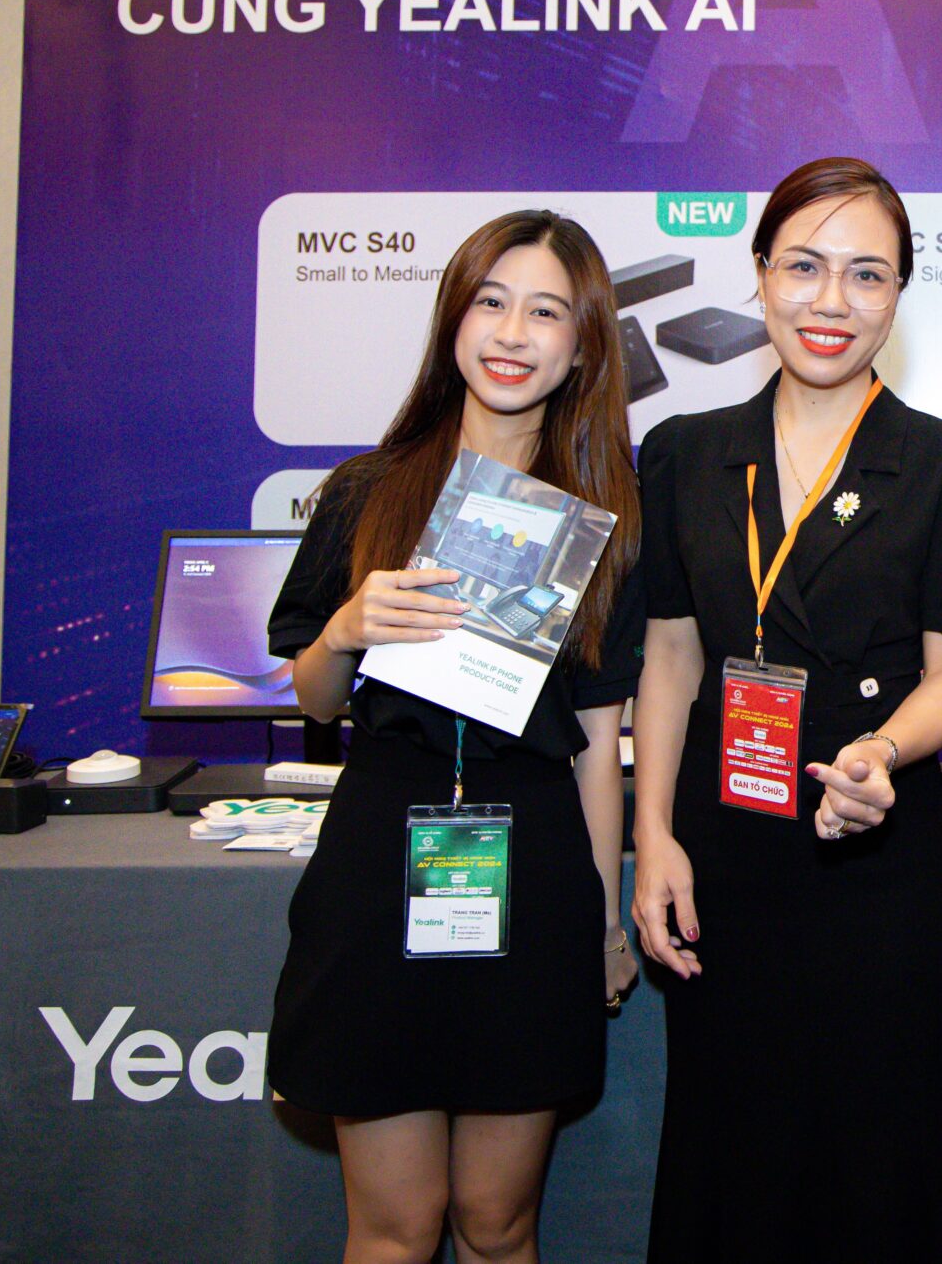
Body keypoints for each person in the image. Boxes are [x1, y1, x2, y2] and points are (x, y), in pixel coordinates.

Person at [628, 157, 942, 1263]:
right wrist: (654, 835)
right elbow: (670, 659)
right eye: (803, 266)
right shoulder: (686, 454)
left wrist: (881, 753)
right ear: (759, 275)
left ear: (899, 294)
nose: (831, 300)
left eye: (866, 274)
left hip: (878, 866)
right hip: (722, 858)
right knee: (732, 1165)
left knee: (885, 1175)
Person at [268, 210, 647, 1264]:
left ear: (583, 346)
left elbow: (597, 742)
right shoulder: (367, 491)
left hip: (533, 871)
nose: (512, 333)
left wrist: (604, 921)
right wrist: (347, 630)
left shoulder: (608, 520)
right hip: (380, 855)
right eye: (491, 301)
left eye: (546, 312)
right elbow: (314, 699)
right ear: (453, 319)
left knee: (496, 1223)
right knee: (394, 1229)